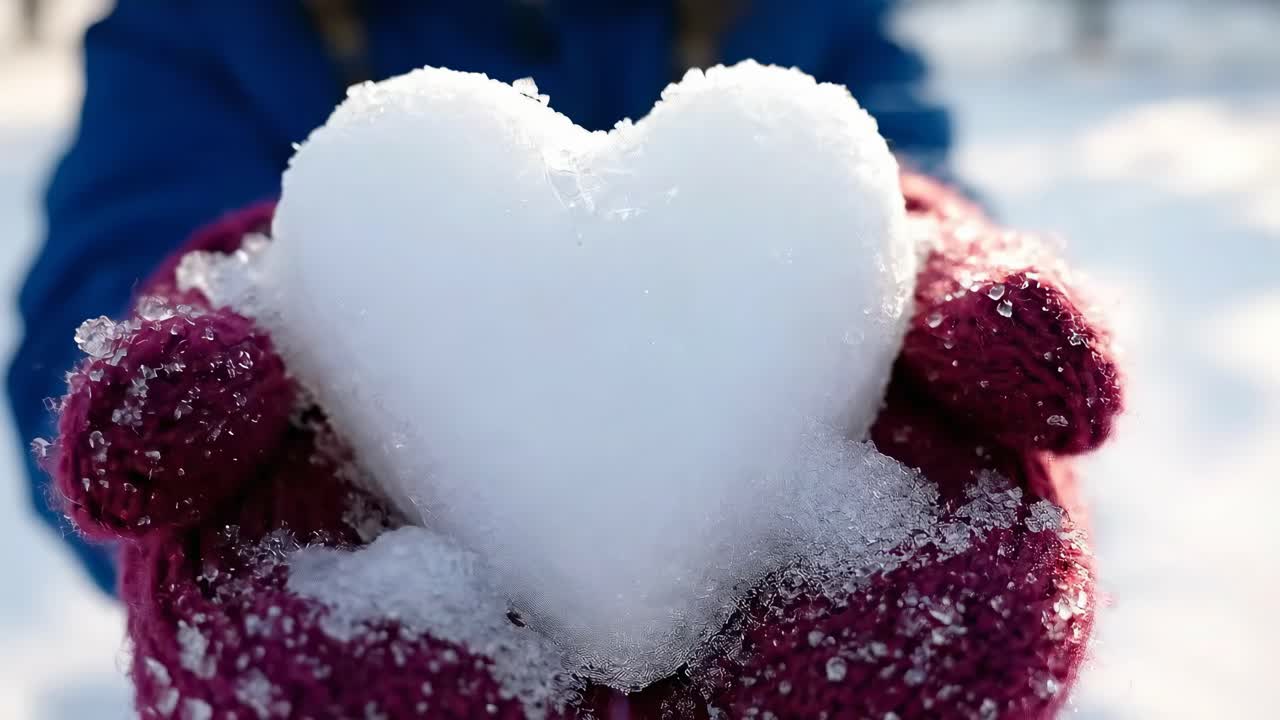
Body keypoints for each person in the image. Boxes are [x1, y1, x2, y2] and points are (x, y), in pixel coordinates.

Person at [8, 0, 953, 595]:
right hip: (371, 559)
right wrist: (211, 307)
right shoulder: (206, 28)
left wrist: (925, 256)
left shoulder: (800, 21)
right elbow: (95, 292)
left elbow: (887, 185)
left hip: (746, 551)